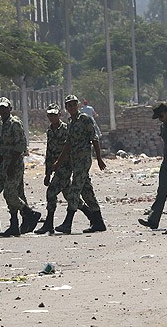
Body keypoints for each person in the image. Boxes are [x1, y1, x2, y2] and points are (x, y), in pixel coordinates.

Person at [0, 97, 41, 237]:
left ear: (10, 108)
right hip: (3, 164)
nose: (3, 110)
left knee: (10, 194)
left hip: (14, 164)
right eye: (0, 108)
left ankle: (26, 216)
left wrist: (12, 165)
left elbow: (21, 146)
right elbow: (1, 149)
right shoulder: (0, 125)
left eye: (5, 108)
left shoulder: (15, 123)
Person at [53, 95, 106, 234]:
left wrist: (99, 158)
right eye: (69, 106)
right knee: (86, 190)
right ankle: (98, 222)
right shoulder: (70, 121)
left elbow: (94, 139)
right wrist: (59, 161)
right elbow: (68, 143)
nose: (71, 108)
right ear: (66, 108)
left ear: (78, 106)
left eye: (73, 105)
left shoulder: (85, 119)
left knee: (75, 189)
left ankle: (68, 222)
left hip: (83, 159)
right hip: (74, 160)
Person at [35, 103, 70, 235]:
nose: (52, 117)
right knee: (71, 197)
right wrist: (47, 173)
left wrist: (60, 162)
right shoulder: (50, 130)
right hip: (55, 167)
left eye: (54, 115)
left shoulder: (66, 129)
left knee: (51, 193)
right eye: (50, 115)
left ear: (59, 115)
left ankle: (48, 223)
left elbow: (68, 148)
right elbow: (49, 152)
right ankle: (93, 216)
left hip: (65, 166)